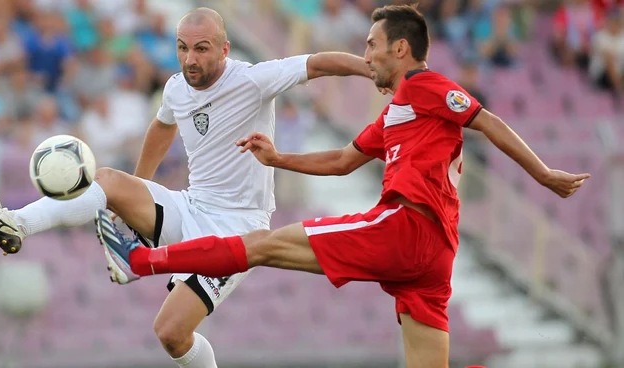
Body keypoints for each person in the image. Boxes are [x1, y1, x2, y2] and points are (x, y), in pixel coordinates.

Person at [96, 5, 591, 368]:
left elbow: (487, 120)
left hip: (403, 228)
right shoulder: (394, 114)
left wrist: (542, 173)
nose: (367, 54)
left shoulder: (424, 85)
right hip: (437, 255)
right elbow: (339, 161)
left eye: (372, 45)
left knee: (262, 245)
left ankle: (142, 260)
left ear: (400, 49)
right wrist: (278, 157)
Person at [0, 7, 373, 368]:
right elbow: (161, 126)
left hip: (237, 229)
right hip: (189, 206)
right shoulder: (176, 87)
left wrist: (371, 70)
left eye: (202, 48)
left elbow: (317, 63)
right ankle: (16, 224)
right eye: (182, 47)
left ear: (225, 50)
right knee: (108, 180)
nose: (190, 59)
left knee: (171, 333)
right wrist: (138, 187)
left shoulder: (254, 80)